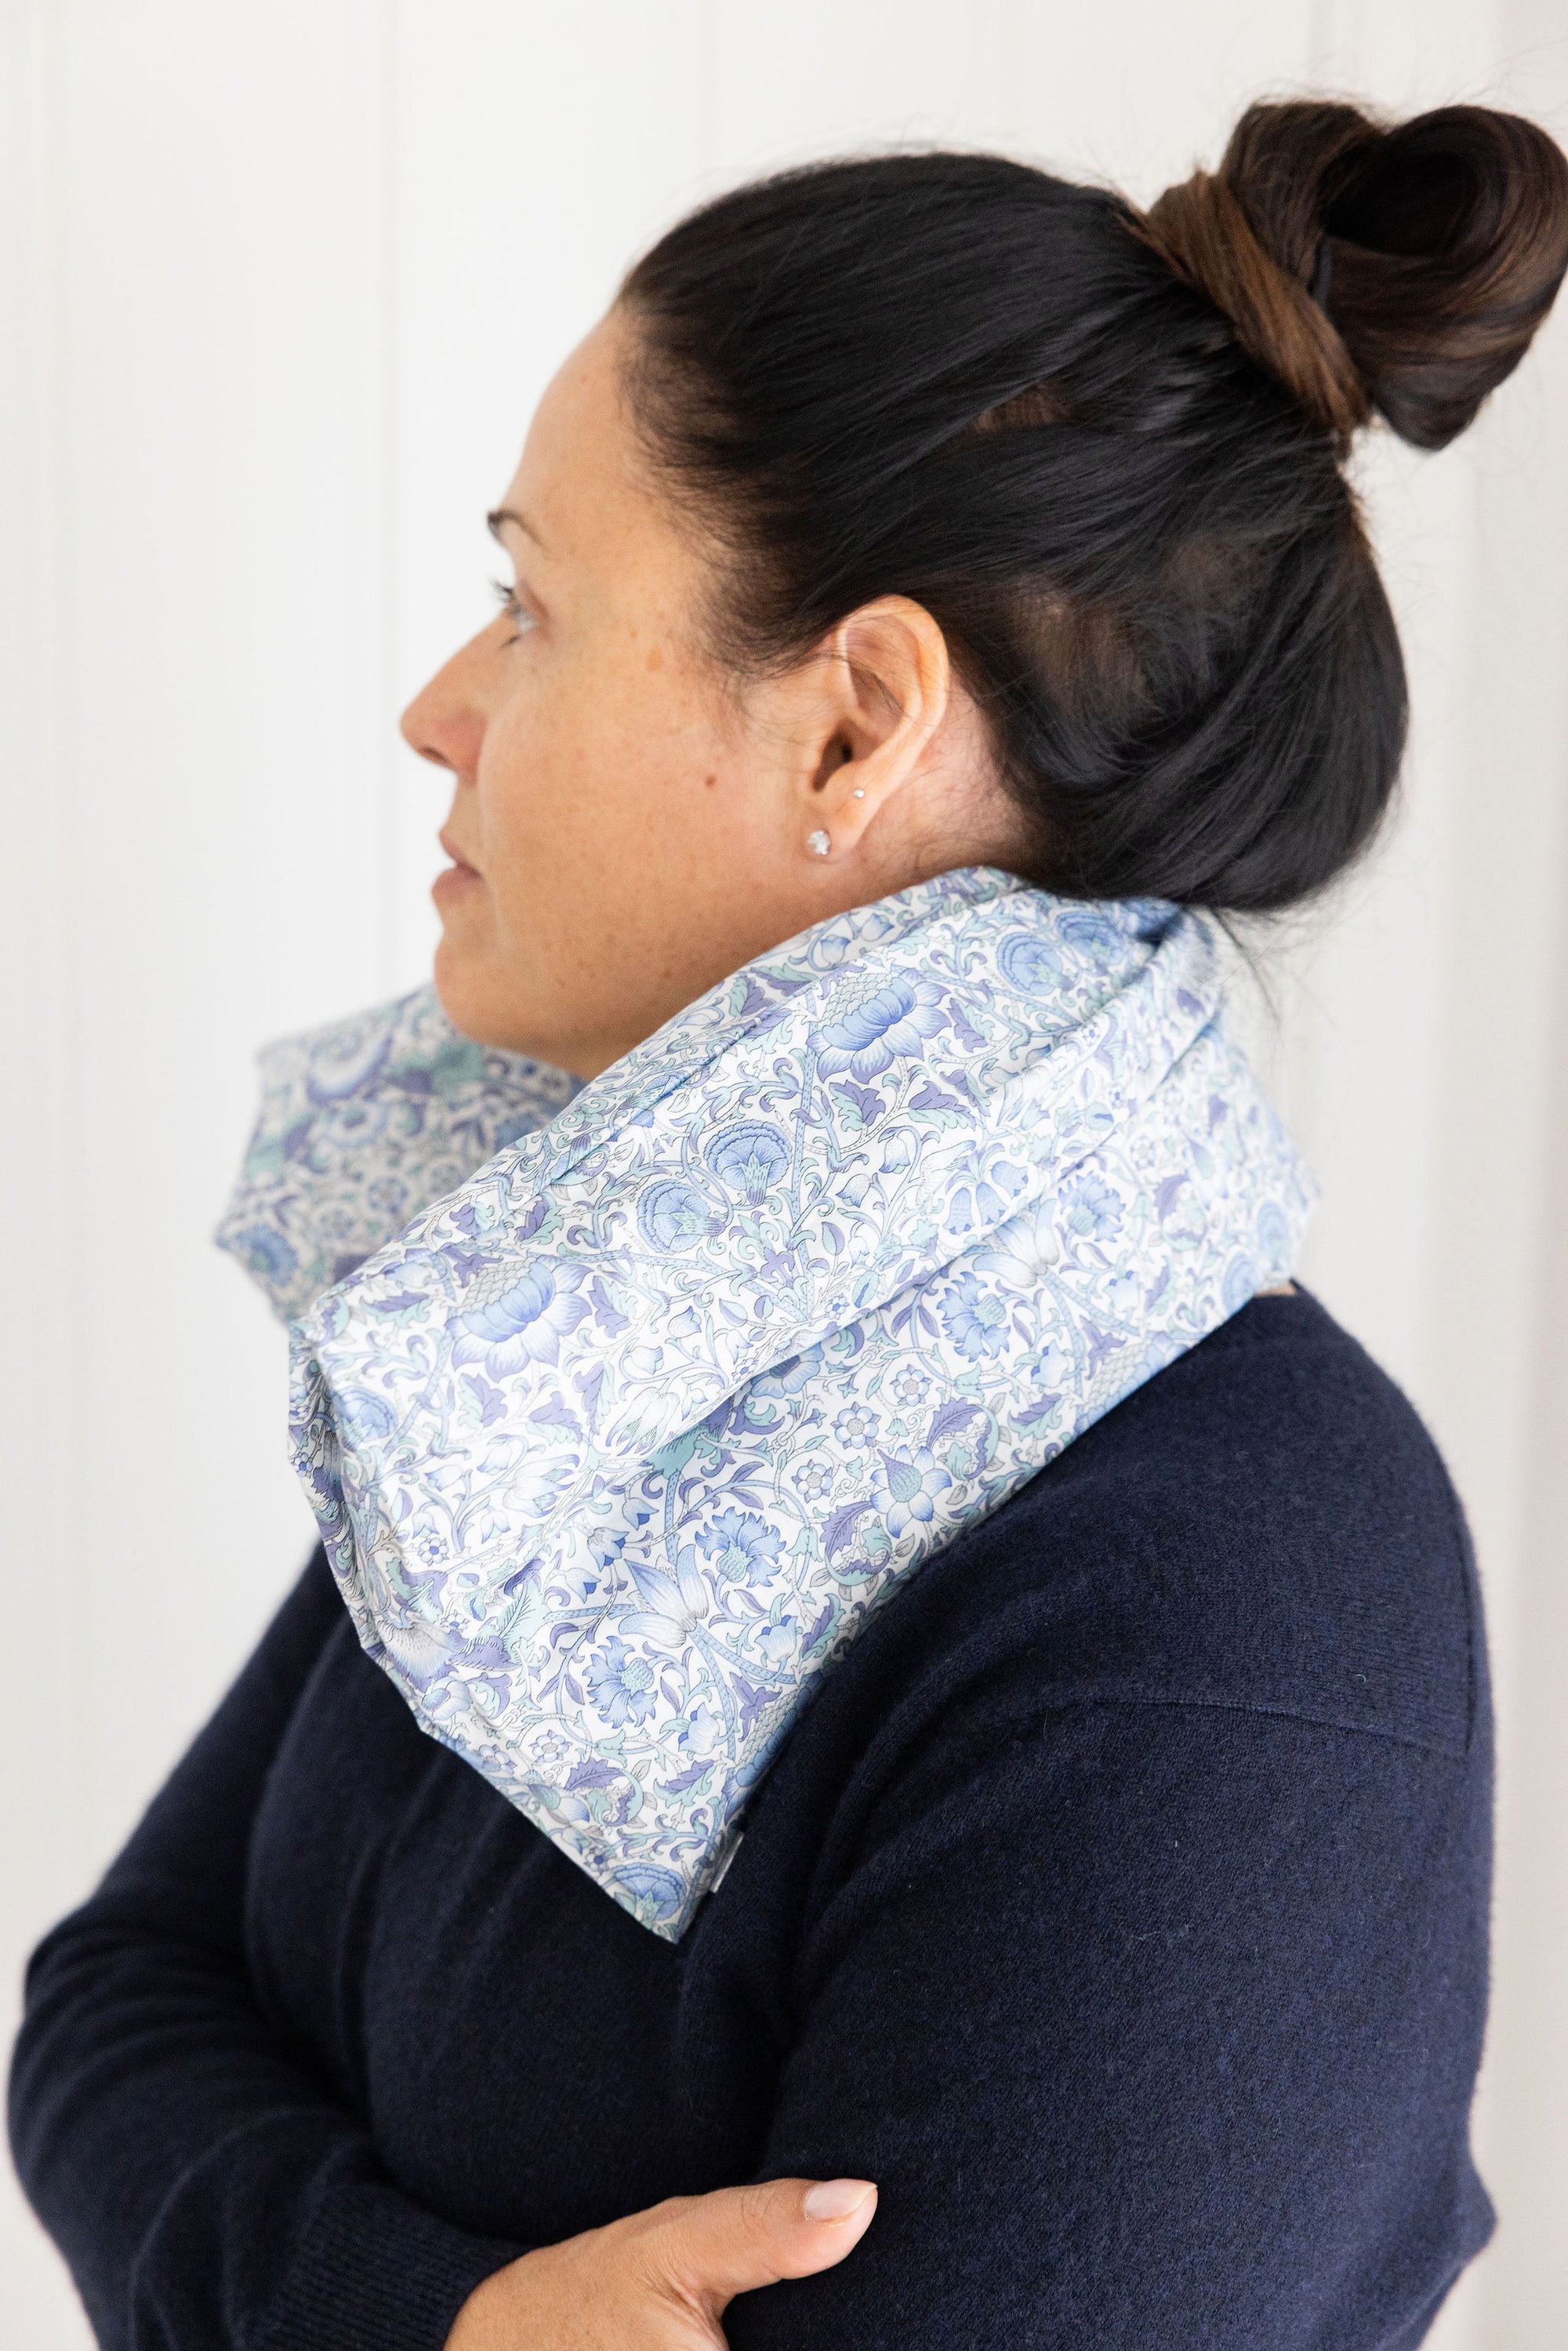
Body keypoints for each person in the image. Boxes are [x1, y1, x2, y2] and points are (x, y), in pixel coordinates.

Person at [11, 95, 1568, 2351]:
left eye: (531, 605)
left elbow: (153, 2086)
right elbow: (112, 2001)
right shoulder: (580, 1347)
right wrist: (430, 2323)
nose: (437, 707)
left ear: (855, 729)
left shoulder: (1236, 1593)